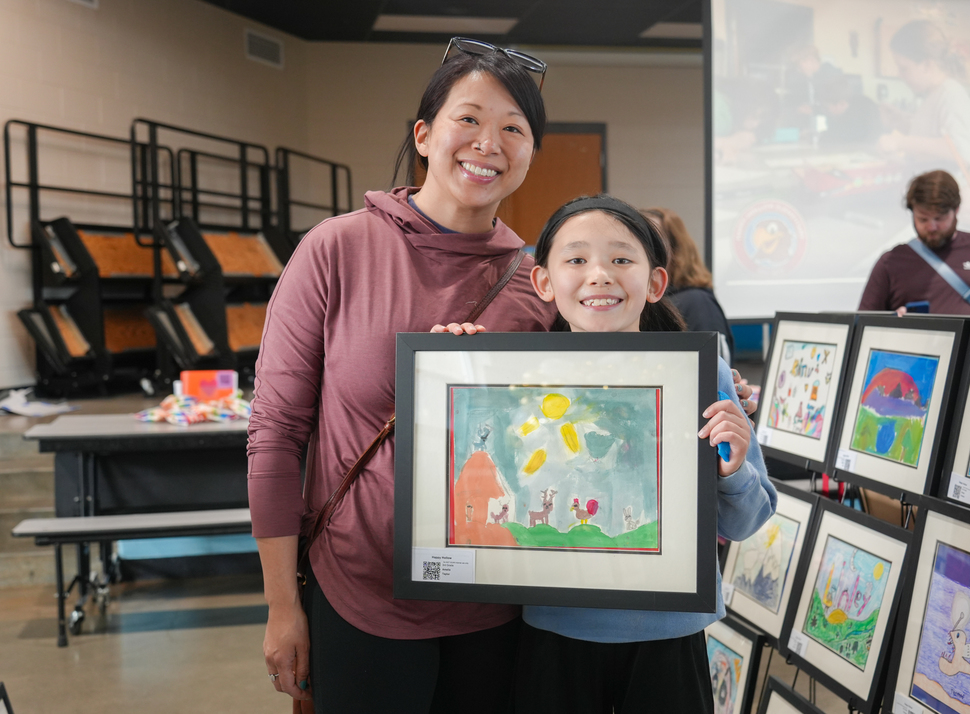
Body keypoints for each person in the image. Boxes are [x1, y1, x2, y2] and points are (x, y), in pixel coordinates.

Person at [247, 39, 557, 713]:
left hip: (498, 608)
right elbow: (275, 435)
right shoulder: (336, 249)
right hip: (358, 599)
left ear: (531, 152)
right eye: (469, 118)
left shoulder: (539, 282)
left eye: (514, 128)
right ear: (424, 135)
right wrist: (280, 605)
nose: (489, 142)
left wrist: (711, 393)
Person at [434, 195, 775, 714]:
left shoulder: (705, 377)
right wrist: (451, 367)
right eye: (575, 260)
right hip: (555, 628)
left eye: (621, 259)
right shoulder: (510, 376)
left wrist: (733, 468)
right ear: (544, 282)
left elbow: (747, 521)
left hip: (670, 631)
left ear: (655, 282)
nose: (599, 275)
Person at [858, 170, 970, 317]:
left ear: (956, 210)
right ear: (912, 213)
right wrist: (890, 325)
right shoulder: (890, 262)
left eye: (939, 218)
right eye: (923, 219)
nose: (931, 227)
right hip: (914, 351)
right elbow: (862, 327)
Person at [878, 20, 970, 172]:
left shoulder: (950, 94)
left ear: (926, 65)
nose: (899, 75)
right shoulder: (933, 94)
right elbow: (929, 135)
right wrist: (901, 122)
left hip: (942, 190)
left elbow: (959, 150)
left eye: (904, 68)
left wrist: (901, 142)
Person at [643, 207, 736, 366]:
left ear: (676, 250)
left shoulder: (697, 302)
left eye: (651, 242)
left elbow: (715, 372)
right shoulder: (640, 303)